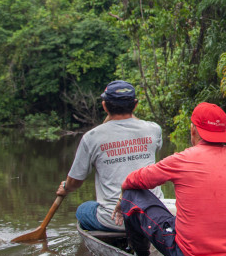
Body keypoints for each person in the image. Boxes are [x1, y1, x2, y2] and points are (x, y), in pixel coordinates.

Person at [114, 102, 226, 256]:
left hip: (188, 254)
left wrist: (122, 198)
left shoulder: (182, 159)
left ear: (193, 130)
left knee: (131, 194)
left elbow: (133, 180)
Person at [57, 80, 162, 232]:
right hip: (153, 217)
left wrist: (66, 187)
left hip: (114, 220)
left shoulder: (91, 137)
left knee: (83, 209)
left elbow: (75, 182)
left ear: (104, 106)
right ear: (135, 105)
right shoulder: (154, 130)